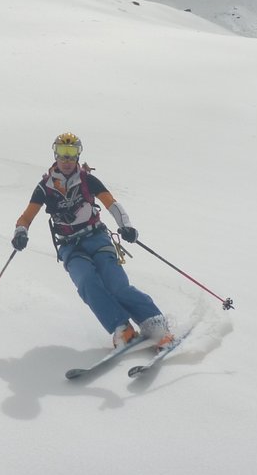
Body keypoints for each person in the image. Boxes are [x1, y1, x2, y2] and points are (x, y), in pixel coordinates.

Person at [11, 132, 174, 349]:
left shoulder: (87, 180)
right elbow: (26, 218)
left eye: (71, 153)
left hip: (97, 238)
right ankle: (122, 328)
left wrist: (126, 226)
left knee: (116, 285)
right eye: (62, 152)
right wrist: (20, 233)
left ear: (78, 155)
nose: (67, 159)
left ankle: (156, 324)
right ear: (55, 154)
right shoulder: (45, 187)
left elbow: (111, 204)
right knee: (87, 282)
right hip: (70, 246)